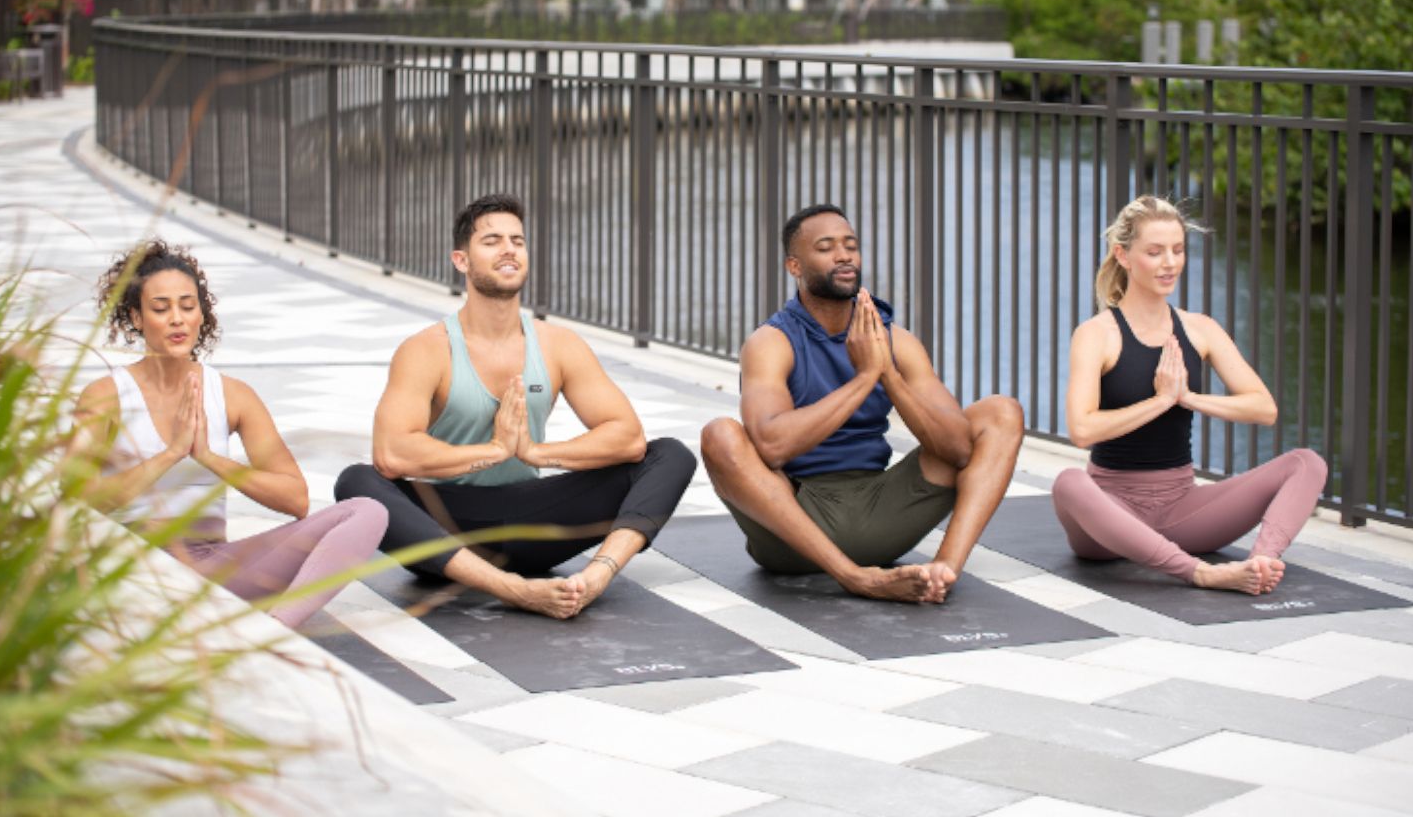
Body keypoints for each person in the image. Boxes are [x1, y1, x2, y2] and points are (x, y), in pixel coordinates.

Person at [334, 194, 695, 620]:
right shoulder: (426, 350)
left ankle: (597, 576)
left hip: (534, 524)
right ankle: (514, 591)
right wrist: (493, 451)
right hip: (446, 528)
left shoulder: (558, 345)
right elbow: (392, 455)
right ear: (461, 260)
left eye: (517, 241)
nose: (509, 249)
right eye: (491, 241)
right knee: (356, 482)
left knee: (670, 454)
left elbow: (628, 438)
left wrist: (536, 453)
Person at [699, 204, 1026, 604]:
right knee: (720, 435)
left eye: (850, 245)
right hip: (796, 527)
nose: (843, 255)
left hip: (882, 509)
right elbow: (771, 445)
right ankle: (855, 577)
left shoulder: (896, 341)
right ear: (794, 266)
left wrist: (887, 372)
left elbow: (958, 449)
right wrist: (865, 378)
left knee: (1001, 412)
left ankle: (941, 571)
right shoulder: (771, 343)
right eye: (826, 247)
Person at [69, 240, 389, 629]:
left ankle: (278, 628)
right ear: (136, 318)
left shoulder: (233, 395)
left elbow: (296, 499)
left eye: (188, 306)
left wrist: (210, 458)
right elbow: (75, 499)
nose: (177, 319)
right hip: (133, 568)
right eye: (160, 308)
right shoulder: (106, 396)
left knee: (367, 511)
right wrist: (170, 453)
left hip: (211, 569)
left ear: (202, 315)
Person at [1055, 195, 1327, 594]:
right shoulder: (1096, 334)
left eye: (1178, 250)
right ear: (1124, 256)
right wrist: (1159, 402)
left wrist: (1189, 399)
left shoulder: (1200, 329)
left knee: (1307, 463)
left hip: (1182, 509)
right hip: (1108, 519)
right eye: (1155, 251)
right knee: (1068, 482)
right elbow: (1082, 430)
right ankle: (1200, 573)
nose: (1170, 262)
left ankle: (1261, 562)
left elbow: (1263, 408)